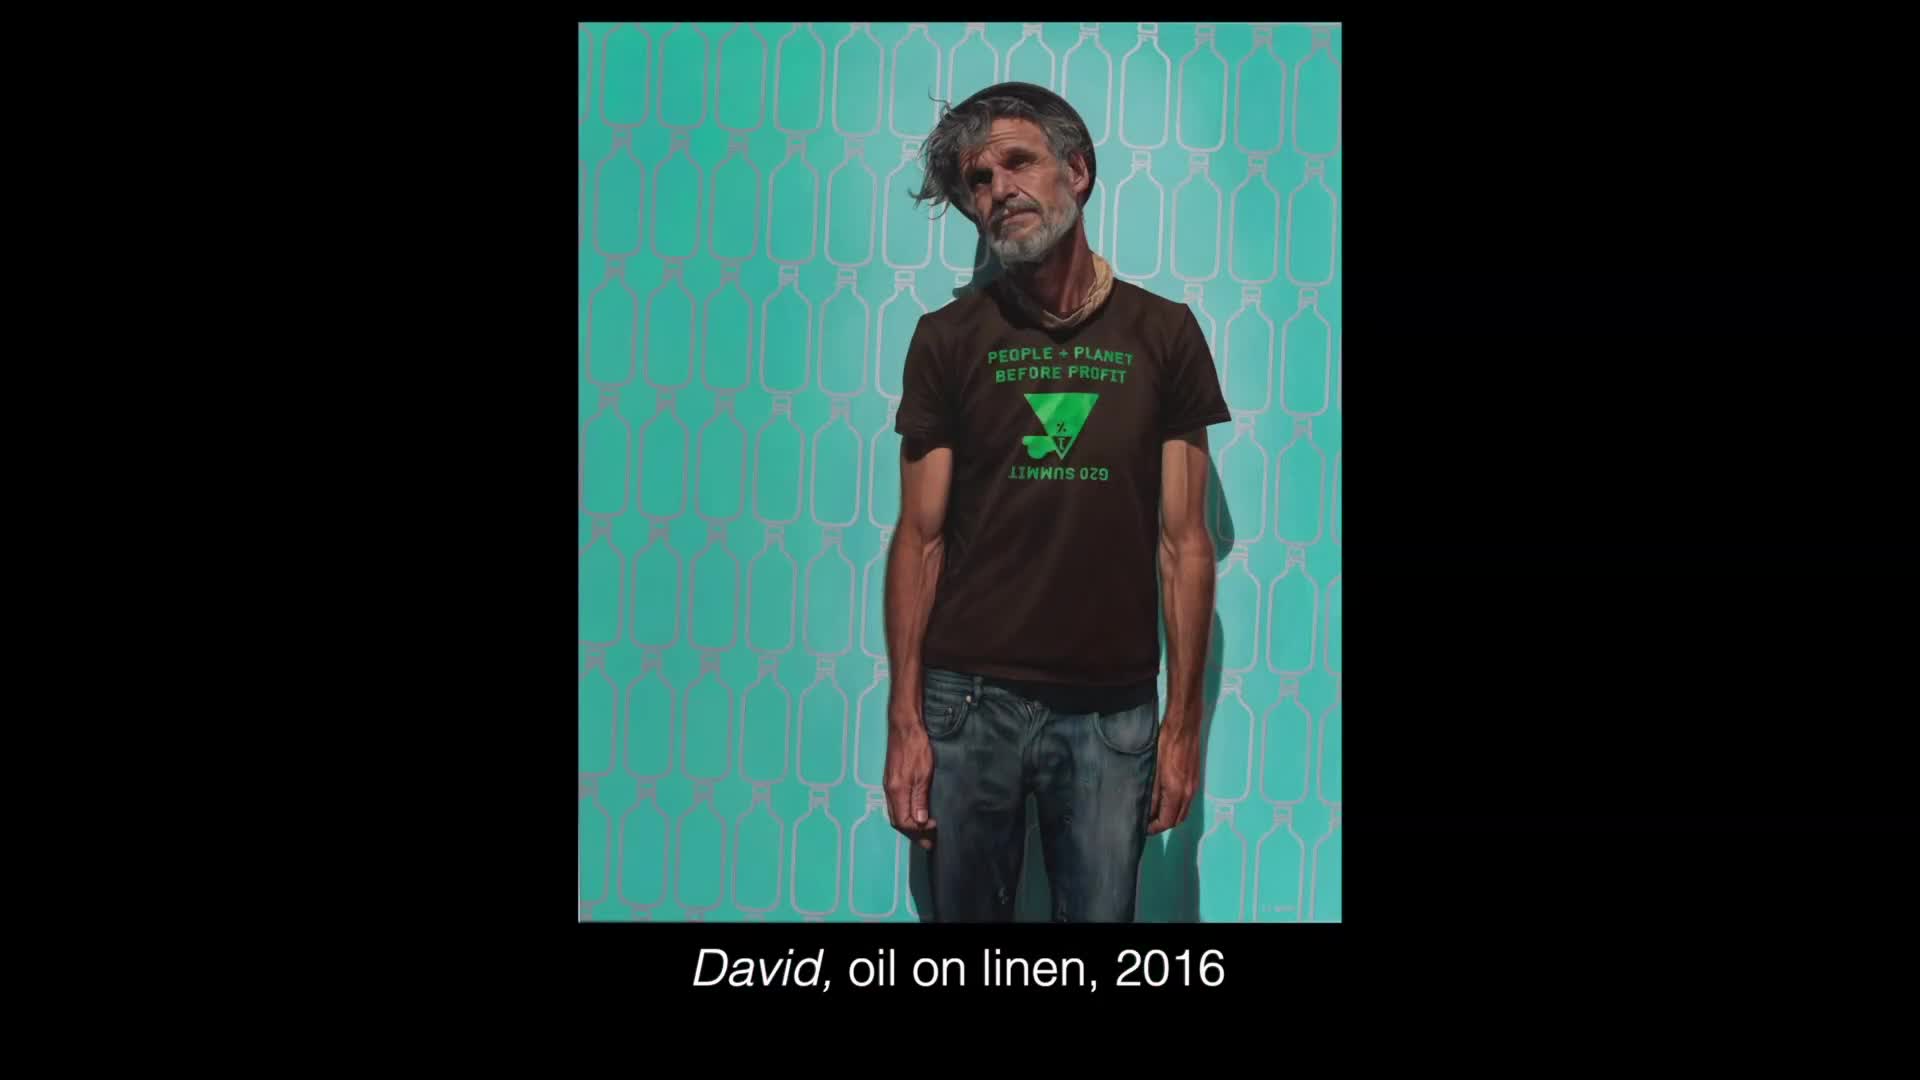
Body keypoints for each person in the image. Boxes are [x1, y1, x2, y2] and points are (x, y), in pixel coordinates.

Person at [882, 82, 1232, 922]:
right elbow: (918, 540)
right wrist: (905, 724)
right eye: (976, 179)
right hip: (966, 705)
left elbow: (1186, 545)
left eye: (1017, 160)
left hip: (1112, 715)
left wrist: (1182, 731)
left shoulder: (1164, 334)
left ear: (1077, 171)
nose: (997, 187)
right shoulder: (947, 339)